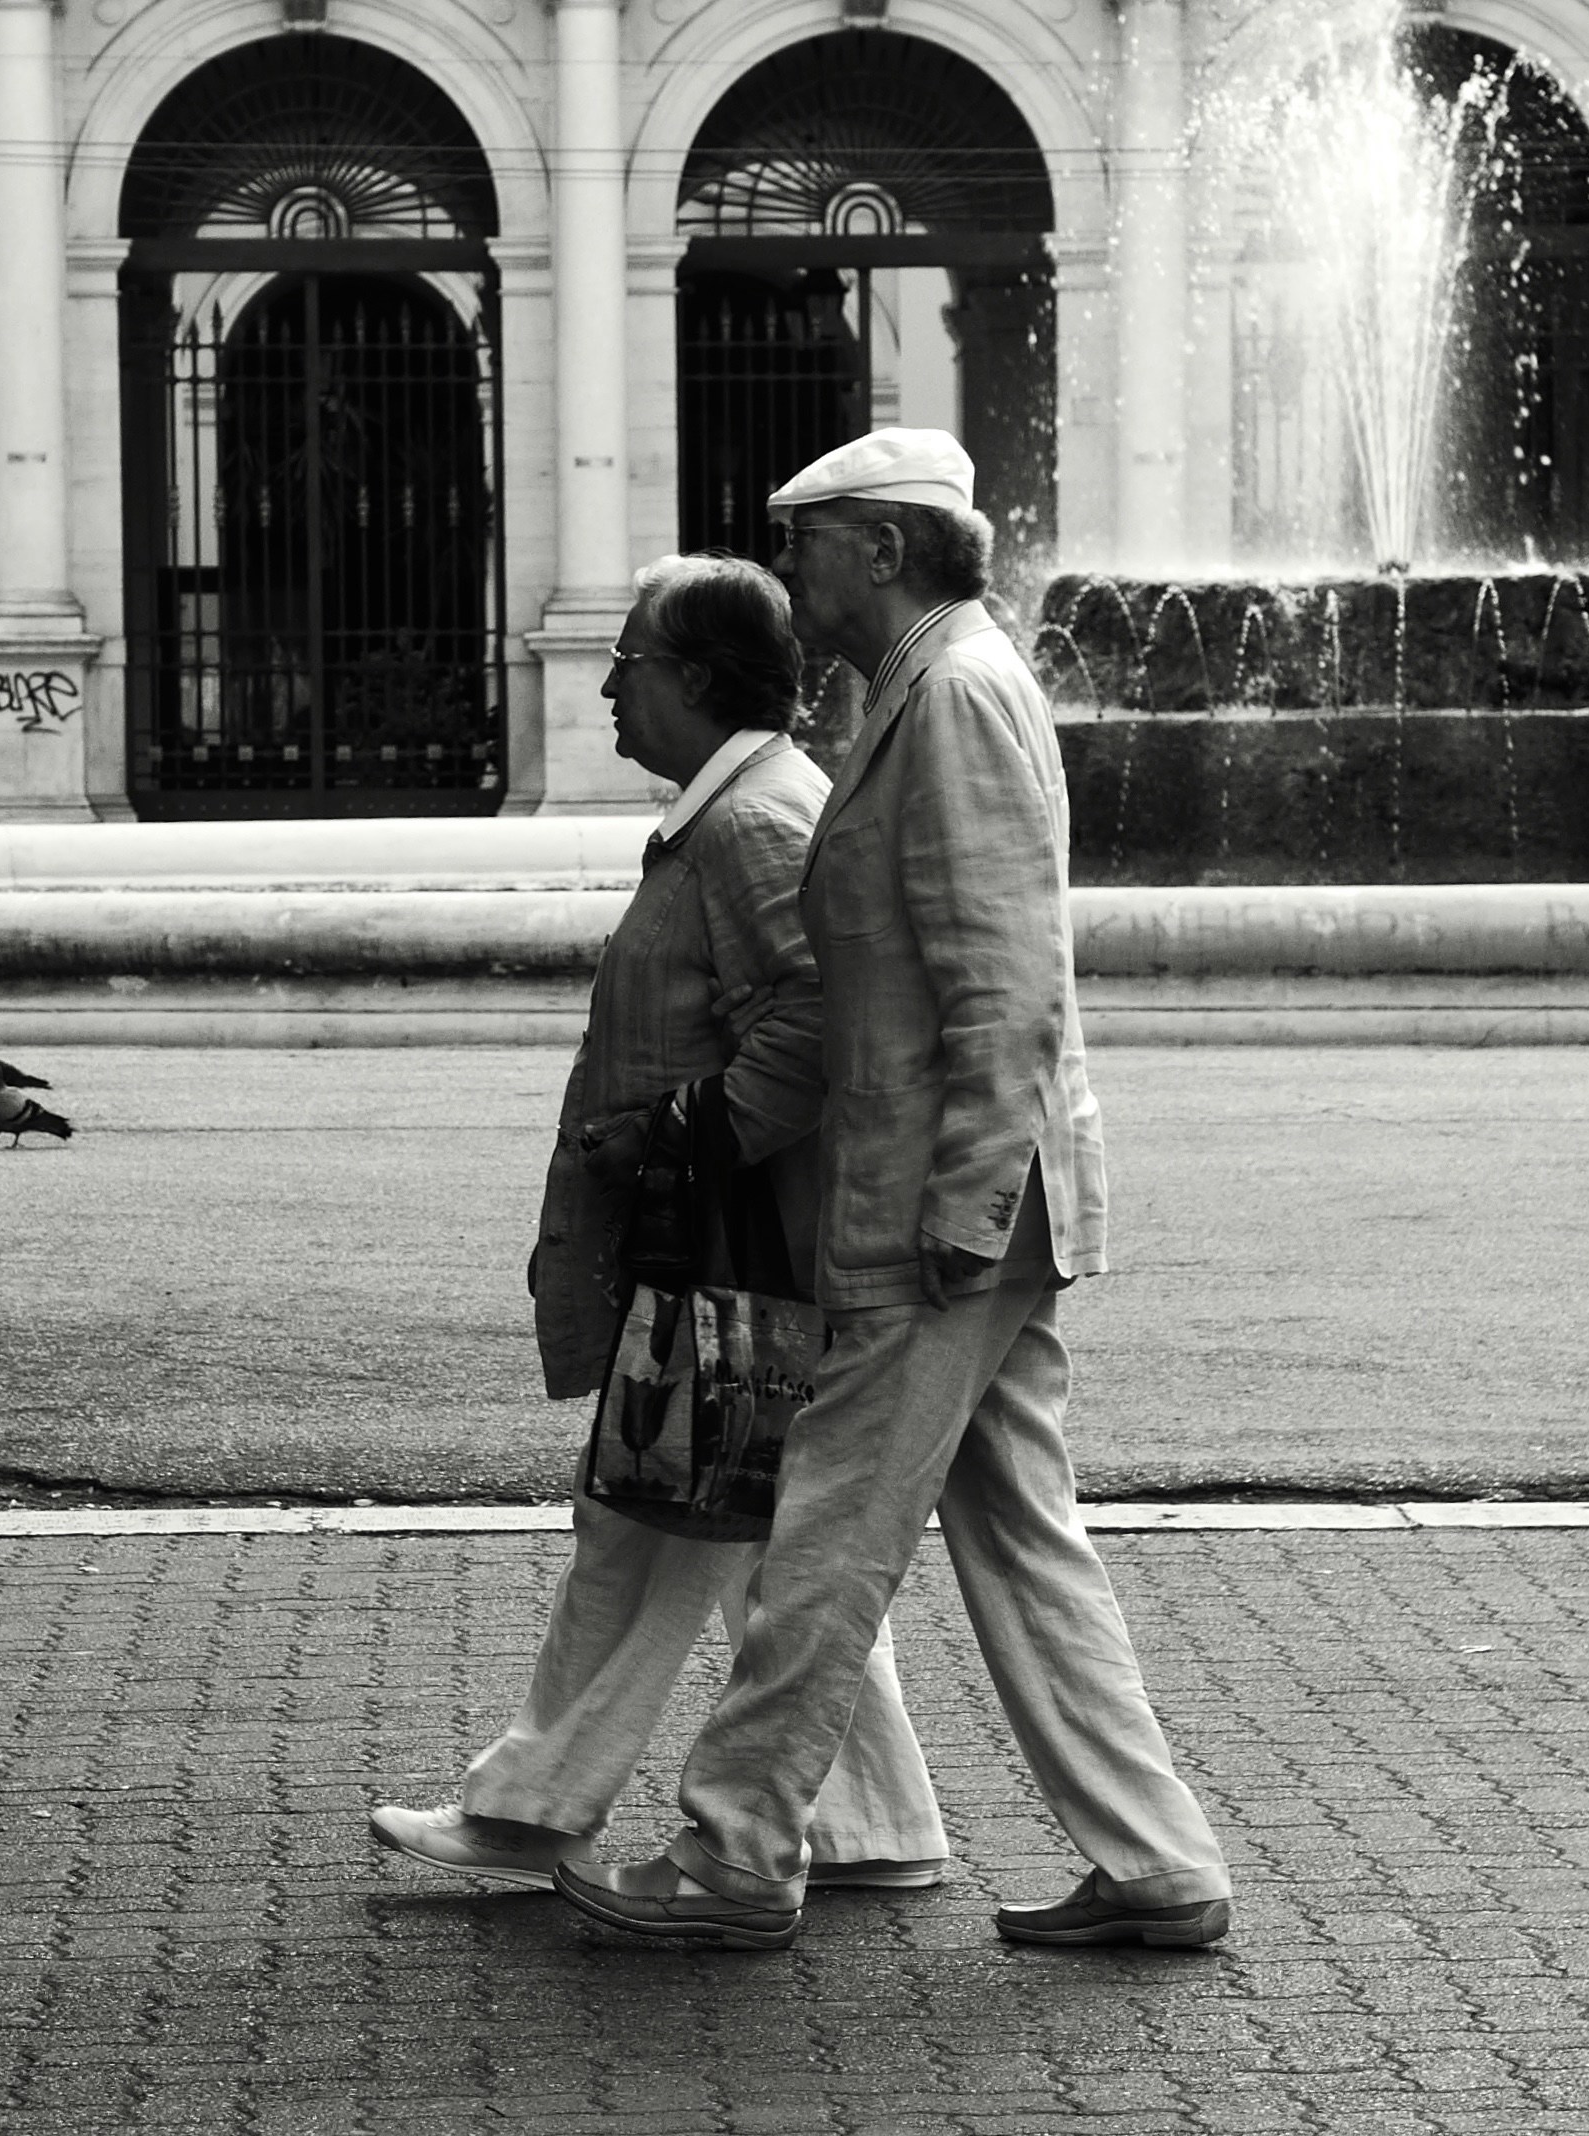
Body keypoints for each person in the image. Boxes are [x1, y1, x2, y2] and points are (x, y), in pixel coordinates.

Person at [553, 431, 1235, 1954]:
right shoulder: (923, 688)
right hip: (957, 1199)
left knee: (826, 1530)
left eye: (803, 546)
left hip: (947, 1210)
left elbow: (1005, 982)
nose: (788, 579)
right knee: (1017, 1533)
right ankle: (1159, 1862)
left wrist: (962, 1206)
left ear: (882, 549)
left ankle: (733, 1855)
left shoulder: (957, 694)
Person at [368, 551, 950, 1895]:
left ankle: (526, 1813)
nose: (607, 690)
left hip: (722, 1254)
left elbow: (814, 1018)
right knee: (744, 1537)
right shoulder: (741, 804)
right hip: (735, 1247)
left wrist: (685, 1134)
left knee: (643, 1525)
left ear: (692, 680)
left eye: (626, 662)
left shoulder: (751, 822)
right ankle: (874, 1821)